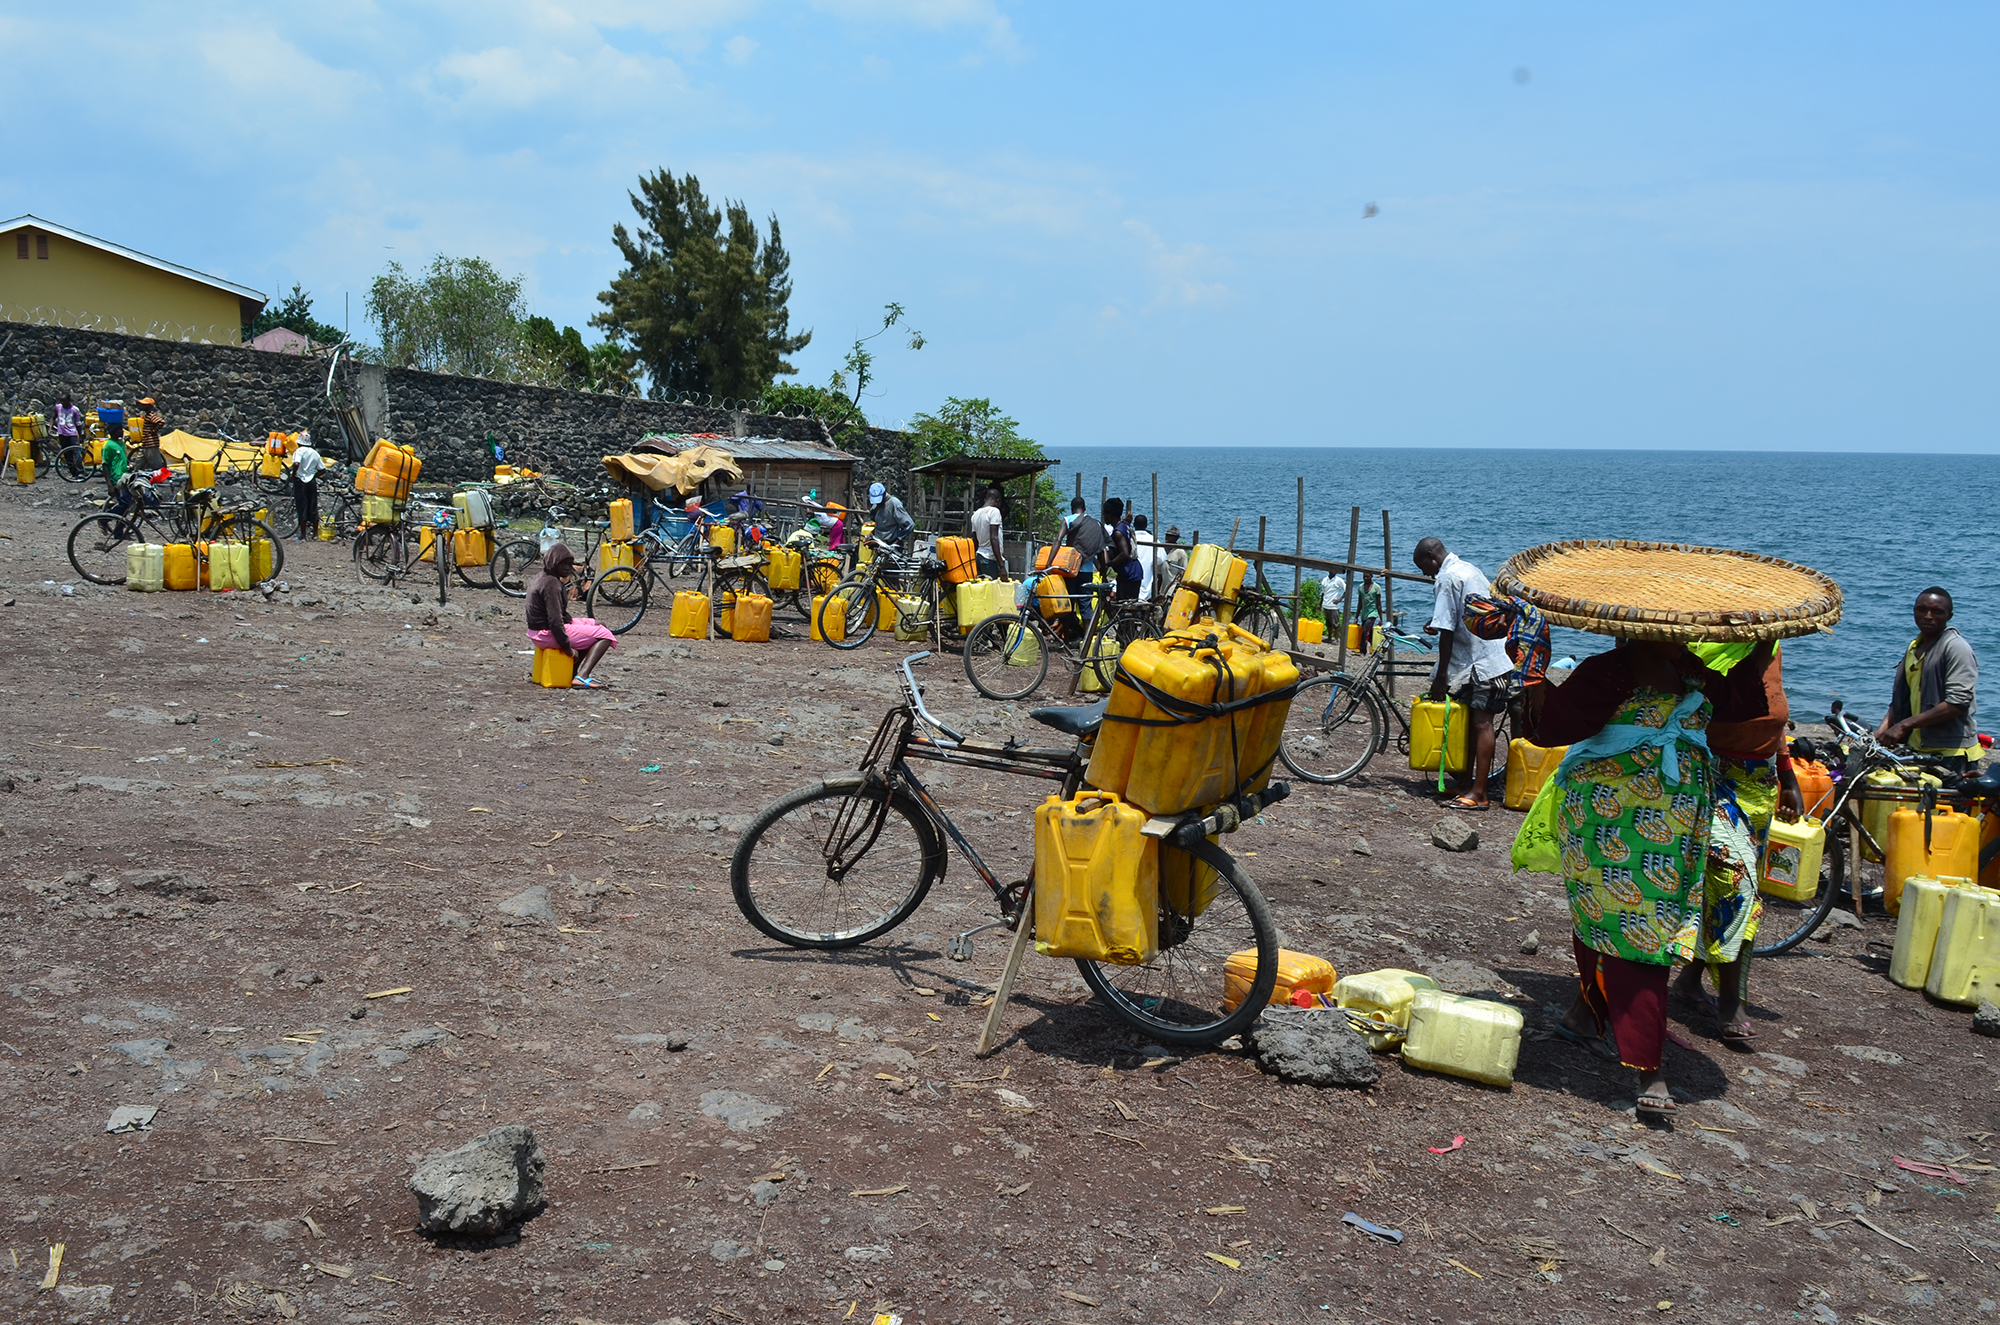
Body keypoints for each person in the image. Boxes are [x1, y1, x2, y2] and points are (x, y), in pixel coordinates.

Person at [1529, 638, 1716, 1116]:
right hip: (1608, 816)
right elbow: (1552, 727)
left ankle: (1583, 1017)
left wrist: (1758, 654)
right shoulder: (1609, 669)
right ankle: (1648, 1068)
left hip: (1674, 820)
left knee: (1617, 922)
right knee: (1635, 933)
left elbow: (1740, 713)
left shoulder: (1690, 668)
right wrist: (1529, 678)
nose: (1678, 635)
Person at [1671, 639, 1803, 1048]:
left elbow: (1773, 708)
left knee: (1729, 887)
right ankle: (1732, 1001)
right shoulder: (1708, 647)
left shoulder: (1774, 644)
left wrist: (1788, 774)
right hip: (1714, 772)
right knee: (1736, 882)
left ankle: (1691, 981)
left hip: (1759, 783)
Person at [1413, 537, 1517, 808]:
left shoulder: (1447, 578)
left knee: (1482, 724)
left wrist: (1441, 676)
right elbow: (1467, 613)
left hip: (1483, 663)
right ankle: (1465, 783)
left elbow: (1446, 632)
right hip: (1487, 657)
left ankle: (1479, 794)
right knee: (1471, 723)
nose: (1423, 573)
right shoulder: (1470, 570)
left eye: (1422, 565)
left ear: (1431, 556)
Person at [1876, 588, 1981, 771]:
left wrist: (1904, 725)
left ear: (1949, 615)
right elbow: (1902, 700)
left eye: (1937, 612)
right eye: (1921, 609)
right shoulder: (1914, 647)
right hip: (1918, 748)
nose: (1928, 616)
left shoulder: (1956, 648)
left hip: (1951, 754)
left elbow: (1957, 703)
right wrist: (1882, 730)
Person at [1463, 591, 1553, 742]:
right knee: (1519, 711)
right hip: (1510, 668)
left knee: (1487, 721)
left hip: (1499, 668)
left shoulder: (1529, 657)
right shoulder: (1529, 650)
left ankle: (1521, 755)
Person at [525, 542, 617, 688]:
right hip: (546, 633)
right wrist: (568, 649)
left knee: (599, 624)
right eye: (563, 564)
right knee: (604, 635)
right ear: (554, 563)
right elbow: (555, 621)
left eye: (570, 564)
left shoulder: (543, 577)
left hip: (537, 631)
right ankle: (582, 676)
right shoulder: (551, 584)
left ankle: (572, 672)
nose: (568, 568)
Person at [1102, 498, 1143, 601]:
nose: (1103, 516)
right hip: (1131, 572)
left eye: (1105, 514)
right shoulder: (1124, 525)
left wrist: (1110, 563)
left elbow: (1124, 554)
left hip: (1129, 573)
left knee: (1125, 606)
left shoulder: (1117, 532)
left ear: (1111, 515)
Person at [287, 432, 324, 541]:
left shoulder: (298, 451)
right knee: (313, 507)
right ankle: (315, 535)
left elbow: (296, 463)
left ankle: (303, 535)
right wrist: (313, 476)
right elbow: (323, 469)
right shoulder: (314, 453)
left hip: (300, 481)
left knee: (302, 507)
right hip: (311, 482)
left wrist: (293, 475)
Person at [1061, 497, 1108, 578]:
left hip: (1070, 568)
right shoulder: (1094, 523)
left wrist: (1048, 563)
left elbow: (1058, 540)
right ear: (1085, 509)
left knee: (1070, 591)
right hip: (1087, 570)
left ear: (1071, 508)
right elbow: (1100, 549)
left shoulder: (1067, 520)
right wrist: (1103, 571)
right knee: (1085, 590)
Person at [867, 482, 914, 551]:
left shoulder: (894, 503)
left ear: (884, 493)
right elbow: (880, 523)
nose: (878, 503)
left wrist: (897, 541)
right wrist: (872, 533)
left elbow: (910, 524)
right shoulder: (875, 506)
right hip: (880, 544)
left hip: (893, 544)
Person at [970, 487, 1005, 578]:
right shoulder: (994, 512)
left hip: (979, 557)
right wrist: (1001, 565)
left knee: (982, 589)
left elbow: (975, 540)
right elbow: (994, 537)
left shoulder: (975, 514)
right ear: (997, 501)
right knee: (993, 590)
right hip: (990, 559)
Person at [131, 397, 167, 475]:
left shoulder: (151, 415)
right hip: (146, 444)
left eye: (145, 405)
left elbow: (161, 422)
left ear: (150, 406)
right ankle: (136, 476)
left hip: (151, 444)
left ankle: (161, 480)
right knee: (139, 463)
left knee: (156, 465)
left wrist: (153, 431)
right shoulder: (147, 416)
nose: (142, 406)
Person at [51, 393, 82, 469]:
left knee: (76, 452)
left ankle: (81, 470)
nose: (63, 403)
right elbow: (53, 418)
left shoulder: (74, 409)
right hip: (62, 434)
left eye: (64, 401)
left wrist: (80, 435)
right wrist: (50, 428)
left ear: (69, 400)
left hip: (72, 433)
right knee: (67, 455)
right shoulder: (58, 407)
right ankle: (74, 473)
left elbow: (78, 424)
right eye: (61, 401)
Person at [101, 427, 129, 513]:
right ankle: (104, 519)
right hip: (116, 479)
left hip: (125, 477)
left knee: (127, 504)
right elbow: (105, 465)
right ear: (114, 432)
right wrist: (109, 485)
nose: (122, 431)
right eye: (119, 429)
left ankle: (120, 526)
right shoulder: (108, 446)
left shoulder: (121, 443)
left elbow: (122, 458)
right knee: (125, 504)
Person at [1157, 526, 1188, 601]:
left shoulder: (1180, 552)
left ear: (1176, 538)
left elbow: (1184, 572)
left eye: (1170, 536)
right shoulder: (1162, 550)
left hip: (1173, 588)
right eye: (1167, 535)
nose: (1167, 537)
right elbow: (1159, 574)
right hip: (1162, 589)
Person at [1132, 514, 1157, 602]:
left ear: (1134, 524)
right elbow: (1162, 560)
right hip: (1147, 589)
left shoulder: (1128, 538)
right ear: (1146, 526)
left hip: (1129, 582)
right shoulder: (1154, 540)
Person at [1356, 573, 1383, 650]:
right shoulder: (1361, 587)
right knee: (1369, 631)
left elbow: (1379, 604)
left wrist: (1381, 618)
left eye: (1367, 577)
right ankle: (1374, 647)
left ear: (1371, 576)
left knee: (1365, 629)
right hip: (1364, 613)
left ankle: (1363, 651)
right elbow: (1359, 603)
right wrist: (1356, 617)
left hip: (1373, 613)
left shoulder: (1376, 587)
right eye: (1364, 577)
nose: (1365, 578)